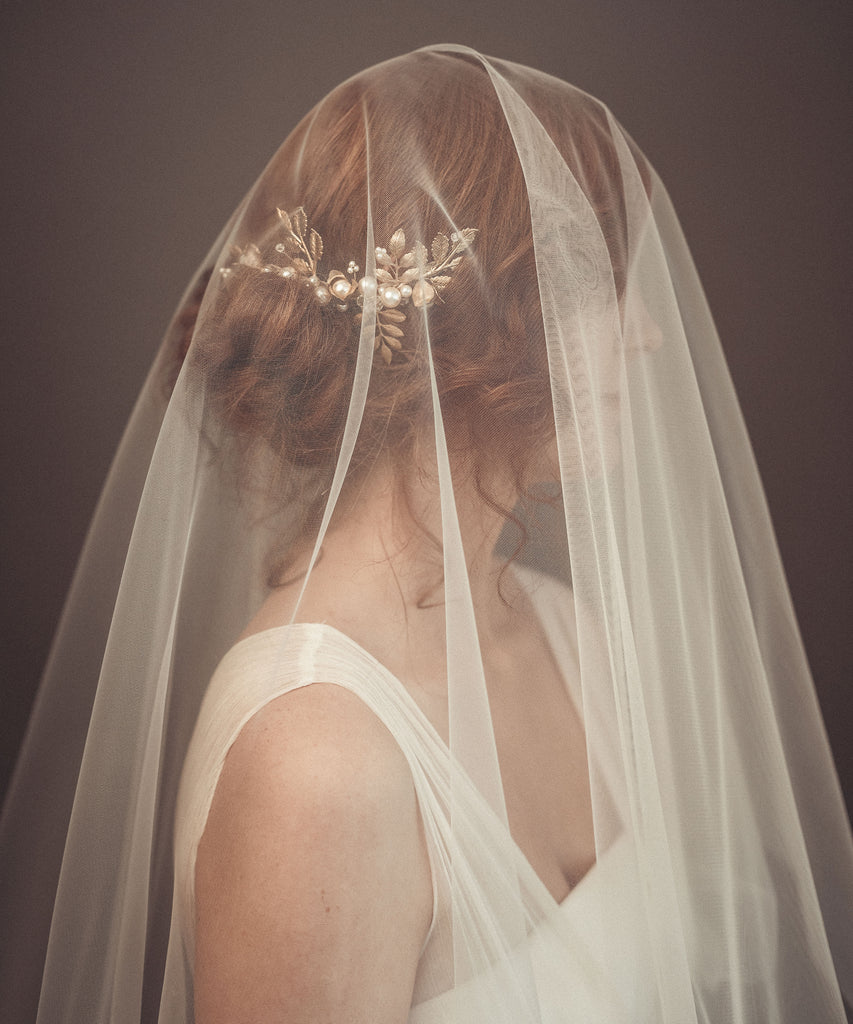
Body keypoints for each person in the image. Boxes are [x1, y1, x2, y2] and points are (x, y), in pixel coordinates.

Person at [1, 44, 851, 1023]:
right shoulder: (314, 760)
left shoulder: (566, 635)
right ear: (473, 324)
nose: (649, 332)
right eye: (598, 282)